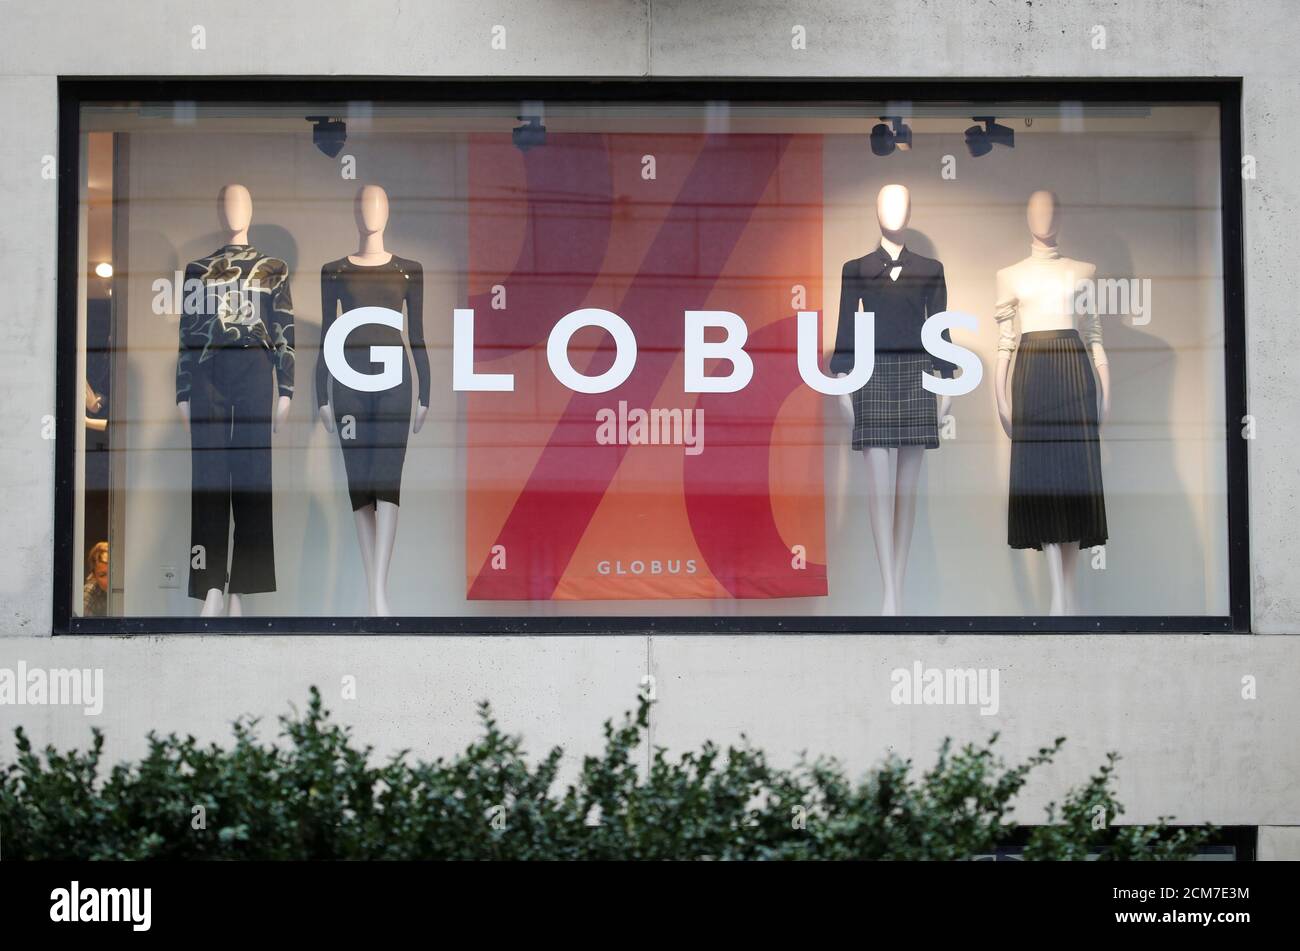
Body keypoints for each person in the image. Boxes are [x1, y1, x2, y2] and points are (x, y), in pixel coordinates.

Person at [83, 541, 108, 616]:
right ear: (94, 576)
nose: (109, 580)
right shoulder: (89, 592)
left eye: (113, 574)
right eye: (103, 575)